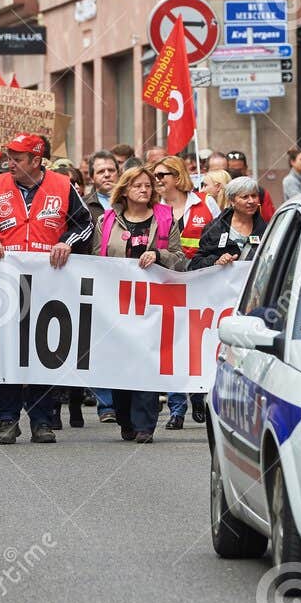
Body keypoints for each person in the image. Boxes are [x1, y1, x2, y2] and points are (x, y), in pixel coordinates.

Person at [0, 133, 94, 445]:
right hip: (8, 285)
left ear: (36, 161)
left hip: (49, 284)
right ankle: (7, 420)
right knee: (10, 352)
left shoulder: (62, 186)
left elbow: (85, 225)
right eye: (9, 157)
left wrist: (67, 242)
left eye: (18, 158)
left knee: (44, 350)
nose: (10, 163)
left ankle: (42, 420)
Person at [98, 165, 188, 442]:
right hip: (114, 301)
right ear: (124, 190)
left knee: (147, 360)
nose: (144, 189)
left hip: (152, 302)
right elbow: (93, 259)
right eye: (137, 185)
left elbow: (179, 257)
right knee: (120, 360)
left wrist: (158, 255)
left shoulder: (164, 219)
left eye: (148, 185)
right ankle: (125, 418)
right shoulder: (107, 220)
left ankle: (145, 424)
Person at [152, 155, 210, 428]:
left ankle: (198, 393)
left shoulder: (204, 203)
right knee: (172, 345)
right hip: (168, 283)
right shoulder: (155, 208)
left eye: (162, 175)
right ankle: (177, 408)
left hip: (201, 281)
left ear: (177, 176)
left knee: (196, 340)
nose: (158, 181)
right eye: (155, 176)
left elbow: (216, 239)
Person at [190, 177, 269, 269]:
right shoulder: (215, 228)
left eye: (254, 196)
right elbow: (196, 263)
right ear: (232, 201)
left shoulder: (268, 230)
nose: (251, 201)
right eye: (245, 197)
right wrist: (216, 261)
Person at [224, 151, 276, 220]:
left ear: (245, 168)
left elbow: (269, 220)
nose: (236, 174)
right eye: (232, 170)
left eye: (239, 170)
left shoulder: (260, 193)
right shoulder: (220, 192)